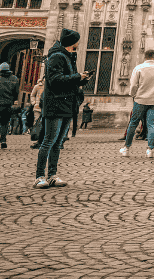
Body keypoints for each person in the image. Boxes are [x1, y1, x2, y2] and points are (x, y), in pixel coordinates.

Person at [34, 29, 90, 189]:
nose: (79, 43)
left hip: (67, 103)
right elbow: (54, 80)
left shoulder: (68, 56)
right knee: (48, 141)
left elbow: (67, 80)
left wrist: (81, 79)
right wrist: (77, 76)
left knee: (58, 142)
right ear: (72, 42)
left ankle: (52, 175)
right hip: (55, 103)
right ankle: (39, 176)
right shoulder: (57, 56)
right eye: (77, 40)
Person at [120, 49, 154, 158]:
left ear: (145, 57)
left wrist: (133, 95)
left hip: (140, 100)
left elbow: (133, 85)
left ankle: (126, 148)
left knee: (133, 123)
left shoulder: (139, 68)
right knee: (151, 124)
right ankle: (150, 150)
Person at [29, 77, 44, 148]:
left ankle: (41, 138)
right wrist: (34, 102)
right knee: (37, 122)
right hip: (37, 107)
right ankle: (36, 137)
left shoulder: (50, 85)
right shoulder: (37, 86)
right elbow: (32, 95)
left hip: (46, 108)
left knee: (44, 123)